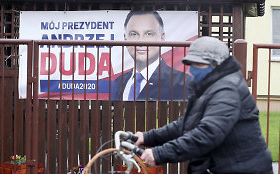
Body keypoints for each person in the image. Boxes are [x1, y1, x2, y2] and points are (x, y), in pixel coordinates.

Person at [134, 36, 273, 173]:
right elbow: (185, 125)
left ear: (217, 64)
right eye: (192, 64)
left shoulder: (228, 89)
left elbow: (207, 134)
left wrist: (159, 154)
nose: (194, 69)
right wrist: (147, 137)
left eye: (199, 64)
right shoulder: (207, 86)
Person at [111, 11, 191, 101]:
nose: (141, 41)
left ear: (162, 37)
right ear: (125, 39)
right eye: (134, 34)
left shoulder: (182, 82)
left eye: (149, 34)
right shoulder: (119, 82)